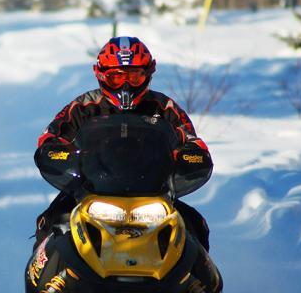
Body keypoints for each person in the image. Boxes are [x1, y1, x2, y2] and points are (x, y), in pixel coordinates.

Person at [34, 36, 212, 251]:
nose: (126, 85)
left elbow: (192, 142)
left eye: (134, 76)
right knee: (49, 222)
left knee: (196, 225)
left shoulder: (164, 107)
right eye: (116, 78)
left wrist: (188, 157)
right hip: (89, 189)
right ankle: (45, 280)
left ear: (148, 73)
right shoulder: (84, 106)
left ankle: (197, 283)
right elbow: (50, 138)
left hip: (153, 193)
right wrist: (62, 154)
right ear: (102, 76)